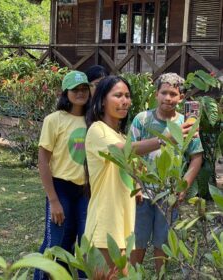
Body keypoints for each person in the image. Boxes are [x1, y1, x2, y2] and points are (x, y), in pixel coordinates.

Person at [84, 75, 196, 268]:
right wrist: (165, 139)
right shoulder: (97, 130)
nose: (124, 101)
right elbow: (121, 150)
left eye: (127, 96)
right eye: (118, 95)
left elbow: (134, 167)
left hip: (122, 226)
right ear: (102, 100)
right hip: (105, 228)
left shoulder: (118, 134)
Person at [130, 73, 203, 273]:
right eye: (164, 92)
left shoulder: (186, 124)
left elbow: (196, 156)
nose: (168, 98)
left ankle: (159, 276)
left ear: (181, 98)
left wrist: (184, 186)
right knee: (138, 239)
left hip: (170, 194)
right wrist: (136, 183)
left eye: (173, 94)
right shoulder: (142, 120)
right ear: (156, 94)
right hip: (142, 193)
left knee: (163, 241)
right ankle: (134, 276)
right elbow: (131, 152)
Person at [34, 71, 91, 280]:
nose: (80, 93)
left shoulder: (93, 120)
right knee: (55, 243)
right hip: (61, 188)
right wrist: (54, 200)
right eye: (75, 89)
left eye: (84, 88)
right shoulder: (54, 120)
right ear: (65, 93)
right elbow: (43, 160)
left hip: (86, 190)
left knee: (86, 243)